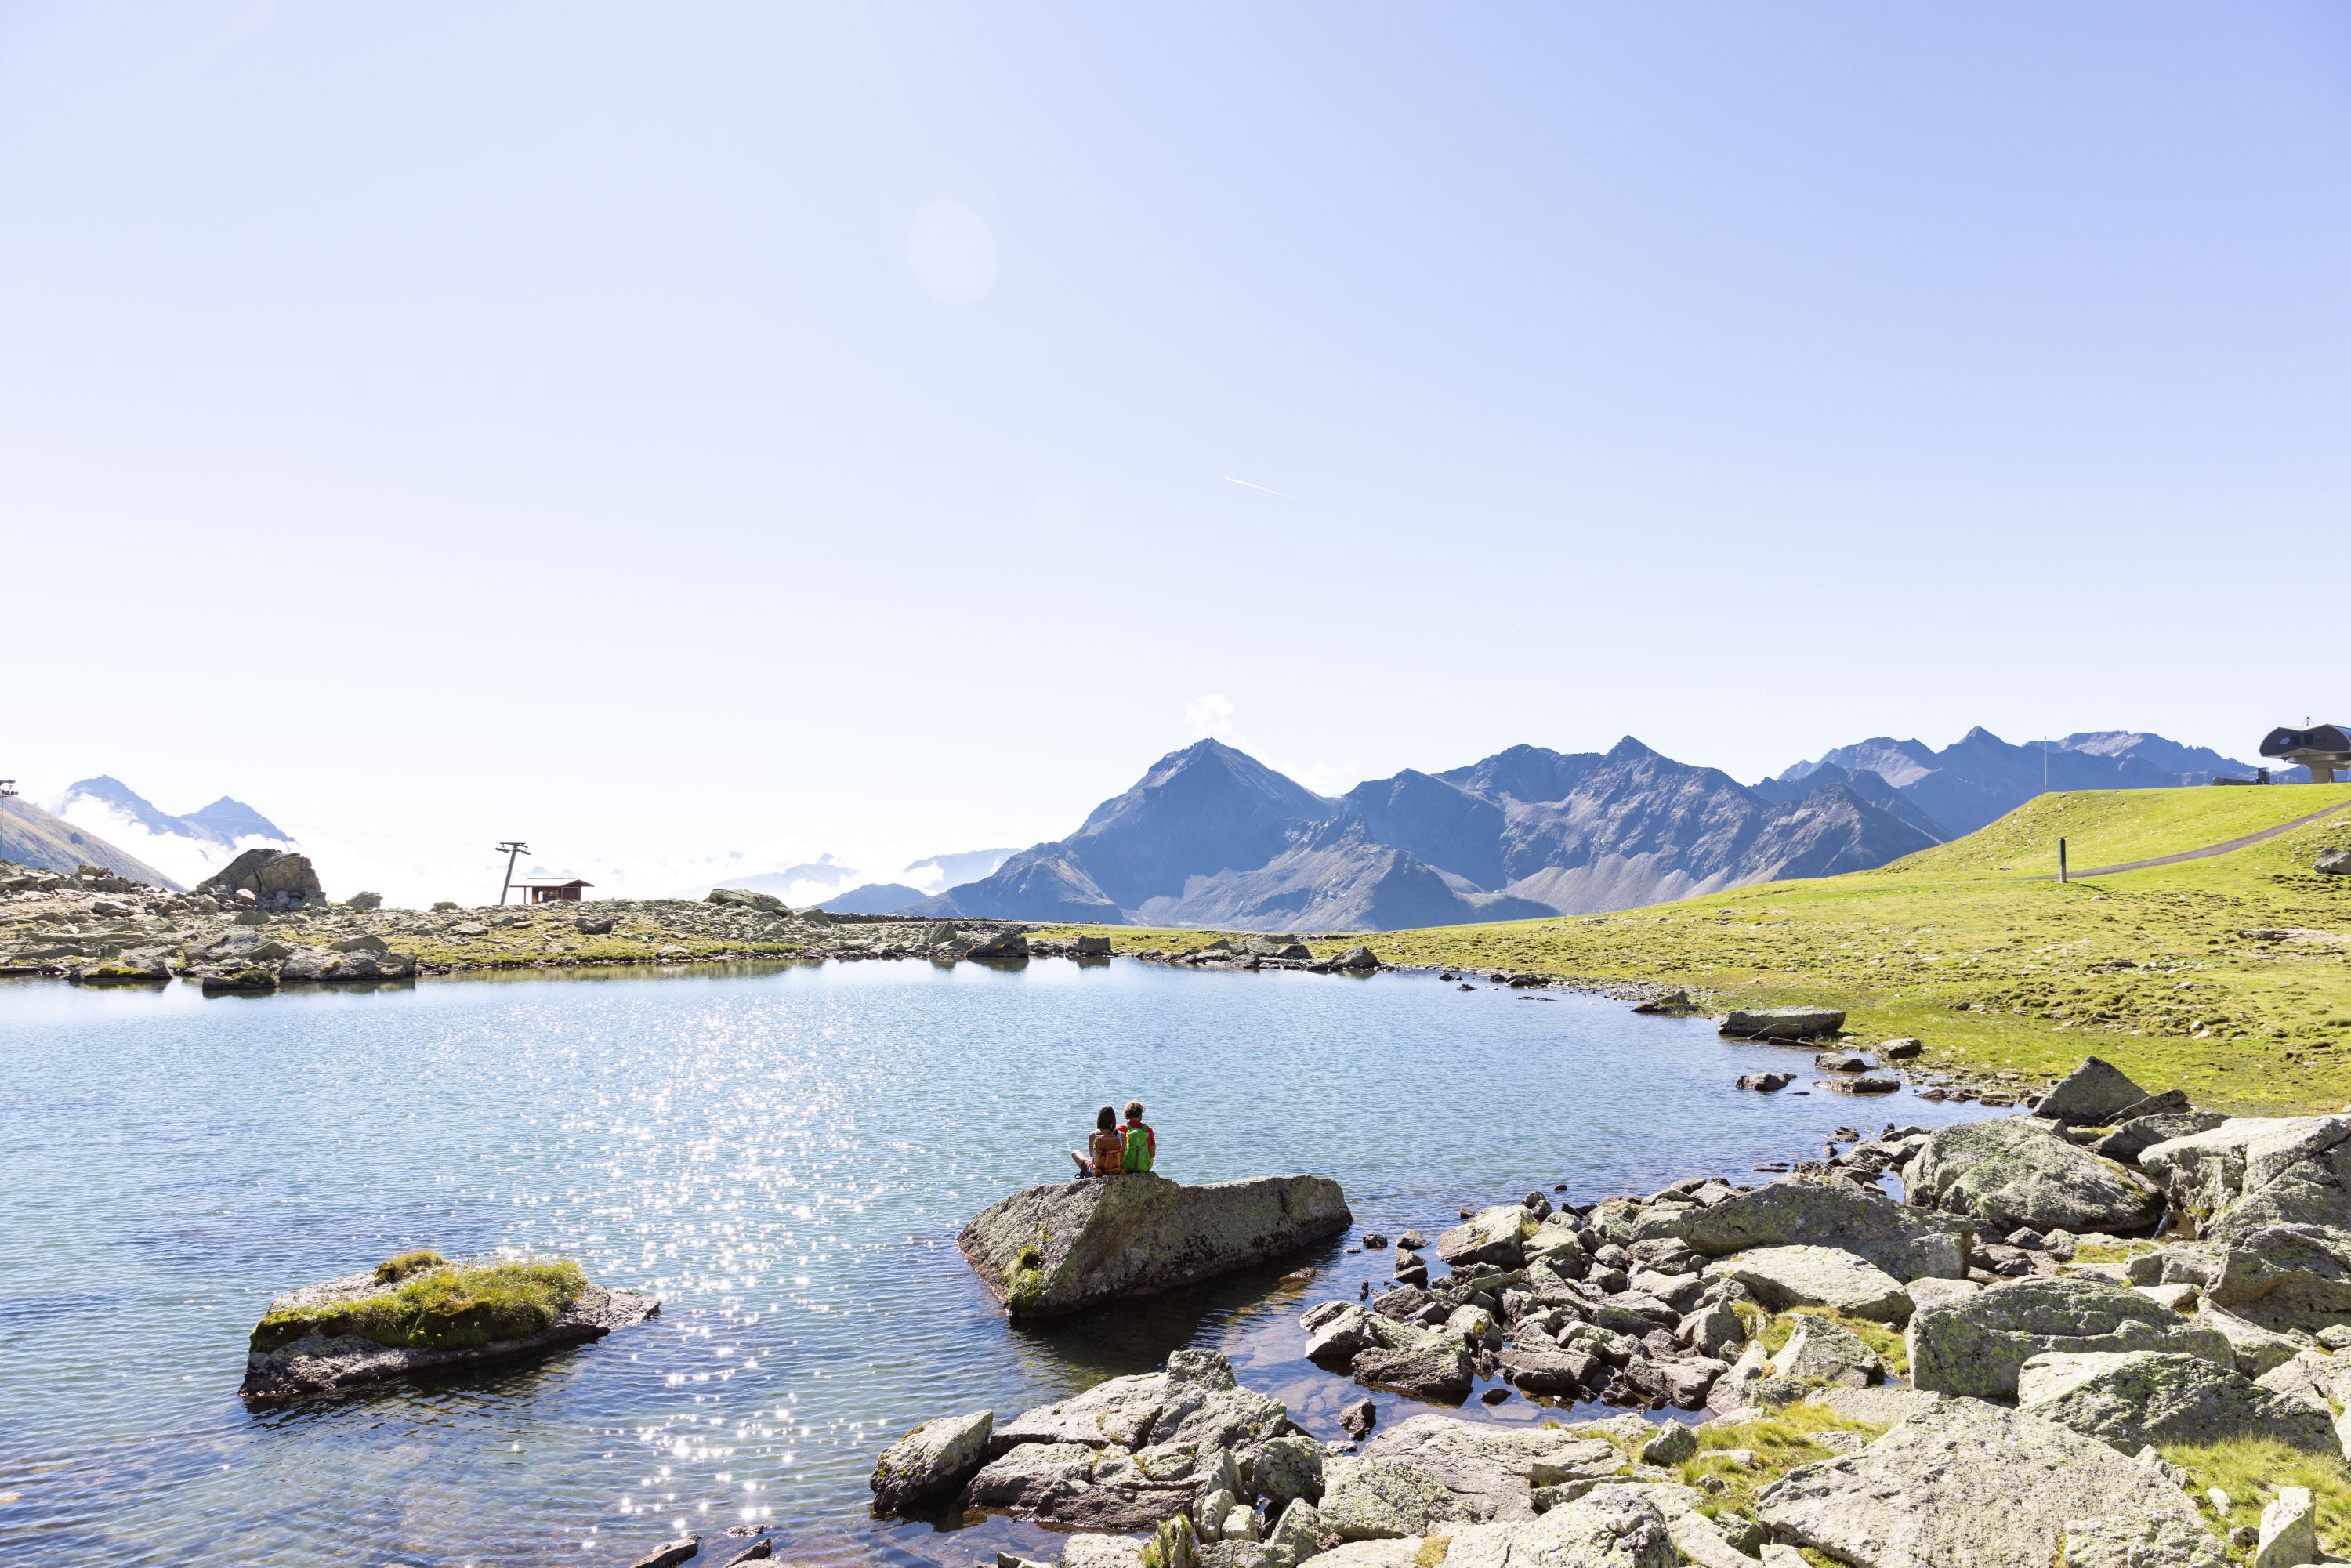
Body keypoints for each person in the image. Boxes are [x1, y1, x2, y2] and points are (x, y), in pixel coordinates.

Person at [1071, 1105, 1125, 1178]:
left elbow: (1091, 1155)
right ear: (1113, 1119)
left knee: (1074, 1153)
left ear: (1099, 1119)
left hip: (1097, 1173)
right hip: (1116, 1171)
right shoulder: (1121, 1135)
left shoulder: (1093, 1135)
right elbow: (1122, 1155)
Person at [1120, 1100, 1155, 1174]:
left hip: (1125, 1168)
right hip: (1144, 1168)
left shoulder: (1120, 1129)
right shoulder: (1148, 1130)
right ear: (1140, 1114)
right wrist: (1148, 1169)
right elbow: (1152, 1153)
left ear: (1127, 1114)